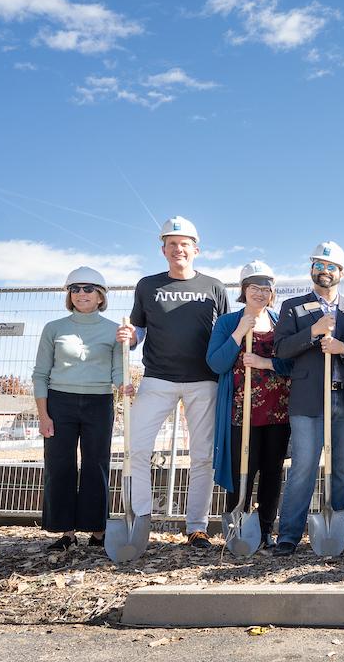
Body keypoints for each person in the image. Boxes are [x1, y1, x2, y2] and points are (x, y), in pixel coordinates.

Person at [117, 216, 229, 549]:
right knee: (135, 448)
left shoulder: (214, 287)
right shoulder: (147, 285)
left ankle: (197, 527)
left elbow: (223, 332)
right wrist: (130, 337)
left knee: (202, 457)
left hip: (203, 382)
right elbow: (139, 330)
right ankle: (139, 519)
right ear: (163, 248)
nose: (178, 249)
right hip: (158, 379)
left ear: (196, 249)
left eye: (184, 244)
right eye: (171, 244)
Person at [273, 242, 344, 556]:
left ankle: (336, 527)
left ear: (341, 272)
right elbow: (281, 350)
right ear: (311, 268)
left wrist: (343, 348)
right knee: (304, 466)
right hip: (308, 401)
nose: (324, 270)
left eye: (331, 266)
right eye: (319, 264)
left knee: (341, 468)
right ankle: (288, 535)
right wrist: (313, 332)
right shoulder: (293, 306)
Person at [33, 267, 124, 551]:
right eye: (75, 289)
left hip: (99, 403)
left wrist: (126, 386)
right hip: (59, 403)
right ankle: (67, 533)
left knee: (96, 465)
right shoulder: (54, 328)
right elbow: (40, 375)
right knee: (60, 466)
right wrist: (44, 415)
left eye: (88, 289)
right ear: (69, 295)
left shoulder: (114, 330)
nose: (81, 294)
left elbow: (119, 372)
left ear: (101, 296)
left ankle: (97, 531)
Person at [207, 261, 292, 550]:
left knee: (272, 471)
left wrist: (264, 362)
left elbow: (291, 363)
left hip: (278, 411)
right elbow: (216, 362)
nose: (260, 293)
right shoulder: (228, 322)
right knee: (243, 469)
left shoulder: (281, 322)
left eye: (266, 288)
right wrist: (239, 332)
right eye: (254, 287)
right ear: (244, 290)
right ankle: (238, 526)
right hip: (241, 412)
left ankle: (266, 529)